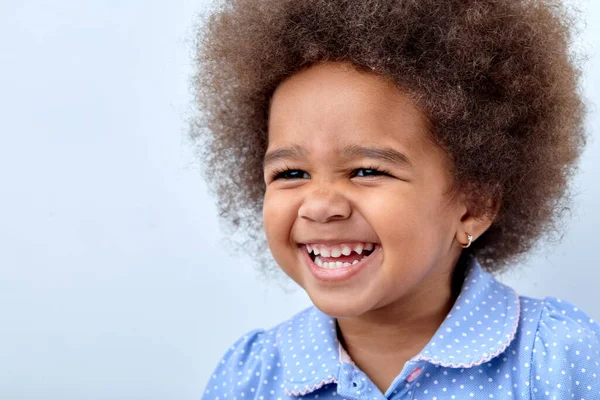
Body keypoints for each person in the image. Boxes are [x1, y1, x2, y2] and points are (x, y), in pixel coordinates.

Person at [192, 0, 600, 398]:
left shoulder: (556, 359)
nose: (319, 206)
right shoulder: (252, 377)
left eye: (367, 171)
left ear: (473, 206)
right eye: (291, 173)